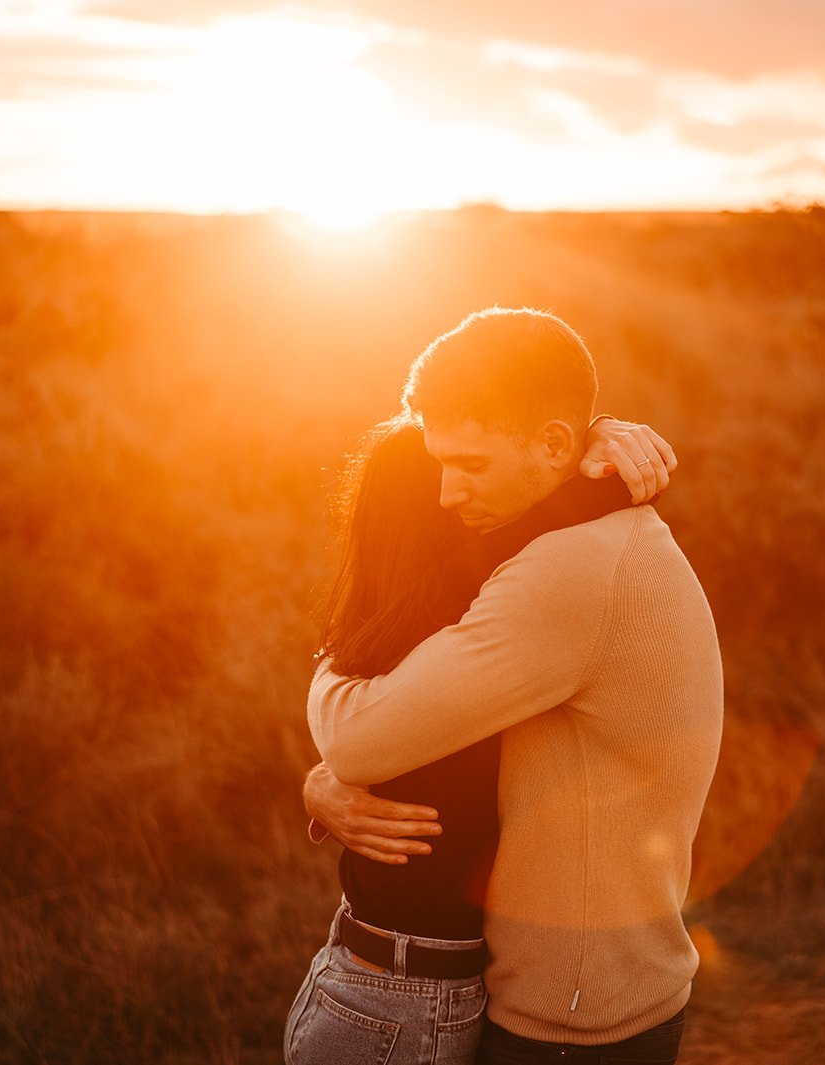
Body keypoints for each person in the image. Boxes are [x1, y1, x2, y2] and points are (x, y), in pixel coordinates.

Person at [304, 307, 723, 1064]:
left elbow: (362, 736)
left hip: (570, 1023)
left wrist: (329, 665)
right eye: (440, 462)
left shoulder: (567, 570)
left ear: (556, 443)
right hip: (608, 990)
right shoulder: (606, 532)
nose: (445, 493)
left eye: (470, 463)